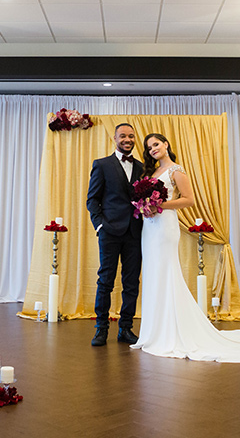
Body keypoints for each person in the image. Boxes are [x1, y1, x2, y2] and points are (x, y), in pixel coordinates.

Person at [132, 132, 240, 362]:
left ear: (166, 144)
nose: (153, 149)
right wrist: (145, 206)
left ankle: (170, 332)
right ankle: (155, 331)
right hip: (149, 227)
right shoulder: (152, 172)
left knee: (166, 273)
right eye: (149, 146)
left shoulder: (176, 170)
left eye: (156, 144)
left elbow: (189, 199)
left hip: (165, 227)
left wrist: (161, 204)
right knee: (153, 275)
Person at [86, 123, 144, 346]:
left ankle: (126, 328)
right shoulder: (102, 165)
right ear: (115, 138)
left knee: (131, 282)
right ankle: (101, 328)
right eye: (123, 136)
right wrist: (99, 225)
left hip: (135, 233)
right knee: (106, 280)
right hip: (109, 231)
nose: (127, 139)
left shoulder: (140, 167)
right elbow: (92, 199)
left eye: (131, 136)